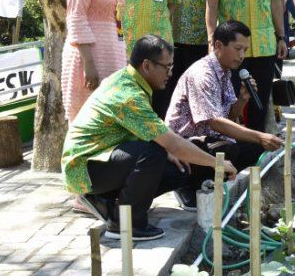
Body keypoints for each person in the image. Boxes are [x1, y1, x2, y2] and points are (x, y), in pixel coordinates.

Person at [62, 35, 238, 241]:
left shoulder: (132, 81)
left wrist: (171, 151)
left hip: (105, 158)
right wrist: (216, 163)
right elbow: (173, 143)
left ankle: (107, 200)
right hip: (83, 167)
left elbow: (160, 134)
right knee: (152, 153)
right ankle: (126, 224)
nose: (170, 74)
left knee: (177, 170)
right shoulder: (128, 95)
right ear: (146, 65)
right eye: (167, 67)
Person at [165, 21, 283, 209]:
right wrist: (260, 135)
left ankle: (218, 182)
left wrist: (243, 99)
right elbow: (214, 122)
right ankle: (189, 185)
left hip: (210, 137)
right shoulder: (202, 74)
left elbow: (228, 116)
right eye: (238, 49)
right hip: (185, 143)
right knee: (229, 149)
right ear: (218, 45)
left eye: (245, 49)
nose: (242, 56)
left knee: (255, 149)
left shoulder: (225, 71)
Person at [202, 0, 287, 133]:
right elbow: (211, 6)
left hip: (263, 46)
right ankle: (233, 149)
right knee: (230, 101)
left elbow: (276, 3)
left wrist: (281, 37)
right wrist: (212, 40)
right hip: (231, 49)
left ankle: (257, 150)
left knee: (259, 102)